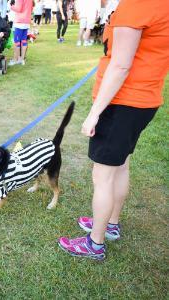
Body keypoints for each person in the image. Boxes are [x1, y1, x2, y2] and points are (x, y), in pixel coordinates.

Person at [58, 0, 169, 261]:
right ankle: (110, 225)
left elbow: (121, 65)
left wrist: (94, 113)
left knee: (103, 176)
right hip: (143, 100)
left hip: (123, 102)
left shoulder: (137, 5)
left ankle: (95, 243)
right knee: (120, 165)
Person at [9, 0, 33, 66]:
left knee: (17, 42)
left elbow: (19, 9)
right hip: (26, 21)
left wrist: (11, 6)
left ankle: (15, 60)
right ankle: (21, 59)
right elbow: (31, 8)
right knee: (23, 41)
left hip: (19, 21)